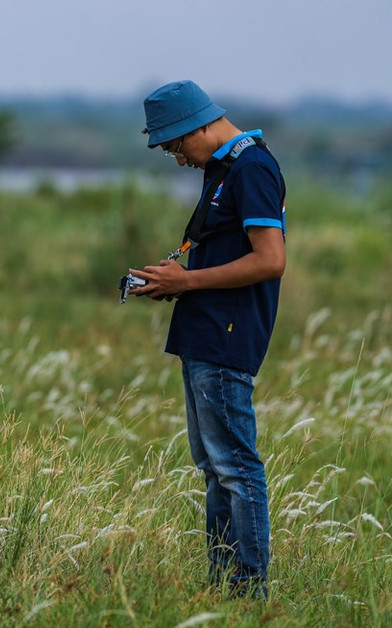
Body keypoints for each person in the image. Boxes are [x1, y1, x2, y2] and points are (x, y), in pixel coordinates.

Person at [130, 80, 286, 599]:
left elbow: (271, 259)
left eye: (177, 145)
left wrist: (188, 281)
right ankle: (222, 585)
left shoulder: (252, 169)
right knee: (214, 468)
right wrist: (173, 283)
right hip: (205, 334)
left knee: (237, 469)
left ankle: (249, 589)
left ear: (201, 124)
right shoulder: (223, 169)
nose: (178, 158)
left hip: (227, 338)